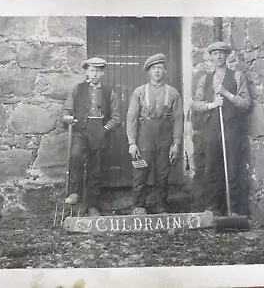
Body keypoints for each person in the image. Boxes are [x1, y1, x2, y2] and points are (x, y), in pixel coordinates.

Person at [191, 41, 251, 216]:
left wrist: (226, 94)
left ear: (227, 55)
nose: (218, 56)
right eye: (215, 53)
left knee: (232, 167)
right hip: (211, 126)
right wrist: (212, 105)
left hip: (231, 126)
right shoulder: (205, 79)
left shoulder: (237, 76)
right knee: (211, 167)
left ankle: (234, 209)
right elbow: (196, 104)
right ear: (210, 56)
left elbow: (246, 103)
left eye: (221, 53)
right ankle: (213, 207)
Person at [61, 57, 120, 217]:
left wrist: (105, 128)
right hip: (81, 130)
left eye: (98, 71)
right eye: (92, 70)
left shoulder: (109, 92)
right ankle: (75, 193)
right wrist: (67, 118)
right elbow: (66, 110)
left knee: (96, 167)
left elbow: (116, 118)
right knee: (76, 155)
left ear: (102, 73)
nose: (95, 74)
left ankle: (93, 204)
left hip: (99, 131)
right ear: (86, 71)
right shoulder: (77, 89)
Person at [126, 53, 184, 215]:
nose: (157, 71)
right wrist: (132, 142)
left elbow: (179, 119)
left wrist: (176, 144)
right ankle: (138, 206)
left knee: (162, 173)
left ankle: (161, 206)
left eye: (160, 68)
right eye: (154, 68)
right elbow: (131, 118)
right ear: (149, 72)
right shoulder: (139, 92)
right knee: (141, 172)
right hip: (145, 137)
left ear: (165, 71)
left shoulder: (173, 93)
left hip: (165, 138)